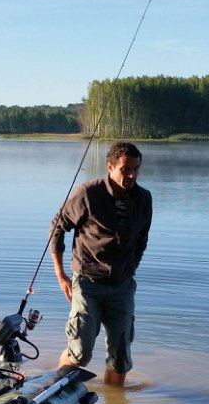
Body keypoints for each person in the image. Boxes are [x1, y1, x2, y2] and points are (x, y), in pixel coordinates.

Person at [49, 141, 152, 387]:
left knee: (120, 358)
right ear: (110, 167)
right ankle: (54, 390)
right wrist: (61, 275)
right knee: (80, 352)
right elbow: (57, 230)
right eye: (126, 169)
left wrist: (129, 269)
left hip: (122, 287)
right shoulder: (88, 193)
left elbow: (141, 241)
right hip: (87, 284)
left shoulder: (144, 199)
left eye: (136, 169)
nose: (131, 175)